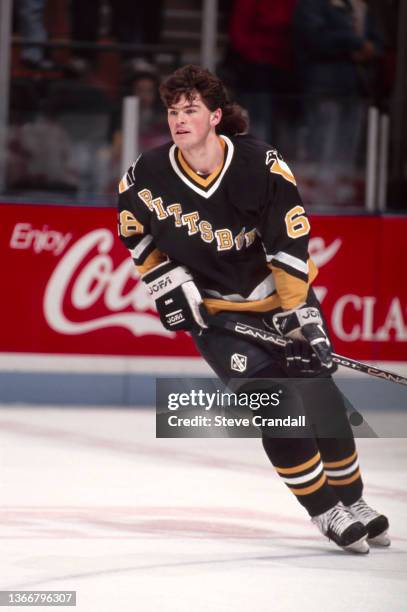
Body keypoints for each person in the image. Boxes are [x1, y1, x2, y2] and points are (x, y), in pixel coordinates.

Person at [117, 65, 389, 553]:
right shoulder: (147, 174)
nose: (180, 120)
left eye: (191, 110)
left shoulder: (260, 164)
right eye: (173, 111)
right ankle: (325, 510)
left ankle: (355, 500)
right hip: (218, 318)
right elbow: (134, 232)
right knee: (275, 408)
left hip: (280, 299)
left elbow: (289, 245)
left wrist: (302, 319)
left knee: (321, 399)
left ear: (215, 115)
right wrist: (164, 282)